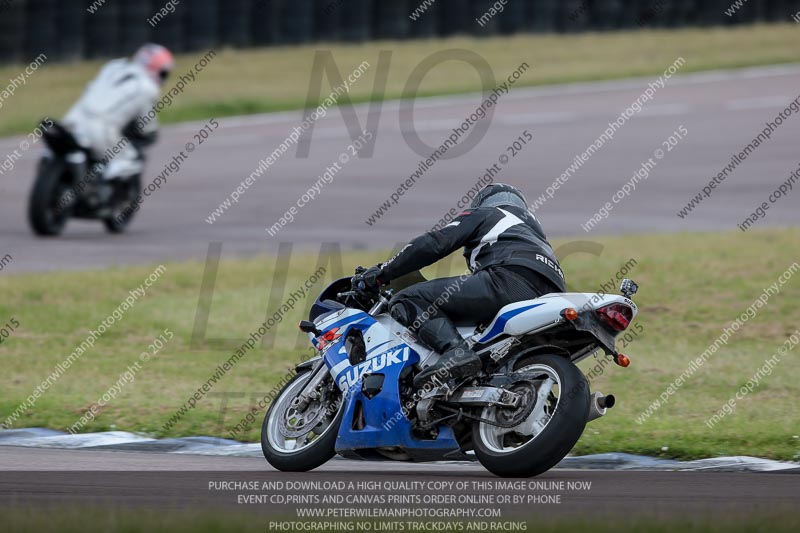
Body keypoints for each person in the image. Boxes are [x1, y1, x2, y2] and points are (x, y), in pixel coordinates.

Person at [355, 183, 566, 387]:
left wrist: (382, 273)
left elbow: (433, 244)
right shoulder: (536, 237)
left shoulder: (489, 213)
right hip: (551, 296)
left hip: (509, 281)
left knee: (408, 298)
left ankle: (455, 352)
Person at [61, 44, 174, 201]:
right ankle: (100, 195)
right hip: (102, 128)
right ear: (157, 69)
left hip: (74, 117)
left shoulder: (113, 66)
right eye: (163, 73)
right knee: (128, 161)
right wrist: (150, 133)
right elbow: (146, 123)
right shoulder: (148, 88)